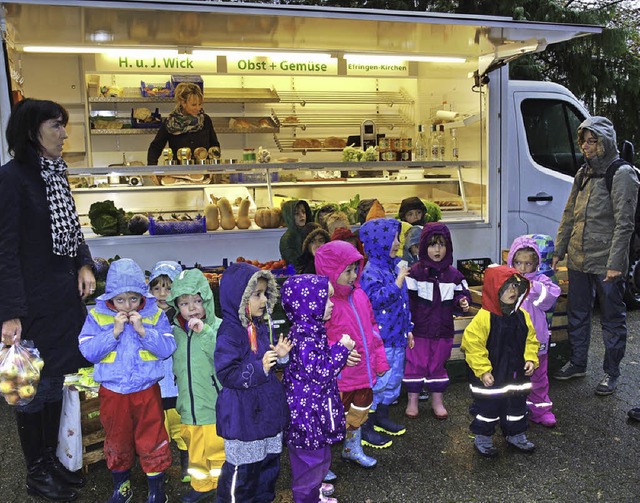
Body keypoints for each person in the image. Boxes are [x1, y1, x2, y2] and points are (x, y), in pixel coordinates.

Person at [0, 98, 96, 502]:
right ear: (32, 131)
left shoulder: (55, 175)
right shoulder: (11, 179)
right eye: (56, 126)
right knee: (29, 389)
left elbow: (72, 231)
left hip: (61, 302)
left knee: (56, 380)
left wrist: (85, 264)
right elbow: (4, 250)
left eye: (63, 125)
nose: (63, 133)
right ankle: (36, 472)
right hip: (31, 305)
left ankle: (53, 461)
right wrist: (10, 312)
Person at [552, 117, 639, 396]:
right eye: (584, 141)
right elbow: (569, 214)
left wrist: (616, 263)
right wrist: (559, 250)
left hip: (606, 261)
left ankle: (611, 373)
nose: (587, 147)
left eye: (593, 141)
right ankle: (578, 363)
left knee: (612, 318)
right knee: (577, 312)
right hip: (578, 257)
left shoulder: (622, 173)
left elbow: (625, 223)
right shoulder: (584, 172)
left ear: (605, 141)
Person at [78, 258, 176, 502]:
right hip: (113, 391)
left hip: (147, 390)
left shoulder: (154, 315)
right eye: (120, 300)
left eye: (133, 298)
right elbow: (88, 350)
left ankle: (156, 489)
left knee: (152, 436)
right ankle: (122, 485)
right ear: (110, 298)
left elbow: (167, 348)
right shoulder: (97, 317)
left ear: (142, 296)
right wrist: (113, 333)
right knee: (117, 437)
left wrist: (144, 331)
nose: (127, 305)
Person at [214, 262, 292, 502]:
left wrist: (279, 356)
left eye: (264, 294)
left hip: (264, 413)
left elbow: (267, 363)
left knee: (267, 469)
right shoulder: (230, 331)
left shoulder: (258, 326)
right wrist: (259, 368)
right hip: (243, 417)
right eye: (256, 295)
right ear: (238, 298)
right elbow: (226, 373)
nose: (263, 301)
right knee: (242, 476)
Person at [281, 274, 355, 503]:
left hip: (314, 409)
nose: (332, 304)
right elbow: (321, 372)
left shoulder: (311, 330)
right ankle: (306, 496)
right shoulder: (305, 336)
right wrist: (341, 349)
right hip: (307, 414)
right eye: (327, 299)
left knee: (319, 455)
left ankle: (314, 490)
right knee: (309, 461)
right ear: (308, 304)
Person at [315, 240, 389, 468]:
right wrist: (339, 354)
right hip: (341, 378)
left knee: (358, 414)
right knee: (331, 419)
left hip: (363, 375)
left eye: (355, 269)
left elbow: (373, 330)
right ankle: (320, 464)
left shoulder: (359, 296)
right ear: (330, 271)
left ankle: (352, 448)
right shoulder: (324, 304)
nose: (353, 274)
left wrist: (380, 360)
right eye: (347, 270)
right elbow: (318, 341)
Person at [461, 265, 540, 457]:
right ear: (494, 291)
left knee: (517, 406)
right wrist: (483, 370)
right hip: (492, 377)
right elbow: (472, 345)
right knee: (487, 408)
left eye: (515, 286)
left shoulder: (522, 316)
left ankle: (516, 433)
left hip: (516, 376)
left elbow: (531, 339)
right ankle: (483, 437)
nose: (513, 291)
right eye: (507, 287)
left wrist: (530, 358)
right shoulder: (484, 318)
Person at [167, 268, 225, 503]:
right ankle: (202, 486)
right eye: (184, 303)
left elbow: (221, 358)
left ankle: (223, 485)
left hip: (212, 406)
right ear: (176, 306)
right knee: (195, 451)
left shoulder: (218, 328)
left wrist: (205, 333)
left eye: (197, 301)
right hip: (188, 408)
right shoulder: (175, 332)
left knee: (217, 450)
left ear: (207, 301)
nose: (191, 308)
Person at [404, 223, 470, 419]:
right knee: (415, 365)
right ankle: (412, 399)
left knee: (438, 365)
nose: (437, 250)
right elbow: (407, 301)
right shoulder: (414, 273)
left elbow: (461, 295)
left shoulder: (454, 276)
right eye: (432, 245)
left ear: (448, 247)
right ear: (424, 247)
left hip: (443, 331)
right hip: (419, 331)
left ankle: (437, 400)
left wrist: (463, 302)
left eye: (441, 245)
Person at [359, 218, 414, 447]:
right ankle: (366, 425)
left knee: (393, 380)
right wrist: (399, 281)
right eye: (391, 238)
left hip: (397, 336)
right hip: (380, 340)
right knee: (379, 382)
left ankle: (382, 416)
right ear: (377, 242)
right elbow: (376, 300)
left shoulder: (393, 265)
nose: (397, 243)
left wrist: (409, 329)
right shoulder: (370, 272)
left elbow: (404, 302)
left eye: (397, 238)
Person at [507, 236, 561, 427]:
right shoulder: (507, 280)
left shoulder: (542, 281)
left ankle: (541, 410)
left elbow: (549, 299)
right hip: (512, 341)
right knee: (511, 377)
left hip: (537, 340)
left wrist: (532, 286)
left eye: (528, 263)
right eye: (518, 262)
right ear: (511, 261)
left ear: (536, 263)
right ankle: (513, 410)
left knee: (538, 377)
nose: (522, 268)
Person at [148, 260, 191, 483]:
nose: (162, 293)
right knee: (157, 429)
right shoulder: (146, 317)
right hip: (155, 384)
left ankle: (187, 463)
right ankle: (159, 468)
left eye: (168, 287)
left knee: (181, 426)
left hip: (176, 383)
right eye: (157, 288)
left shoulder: (183, 317)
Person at [147, 82, 221, 165]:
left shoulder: (205, 120)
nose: (198, 108)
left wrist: (215, 167)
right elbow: (156, 147)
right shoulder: (171, 122)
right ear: (183, 102)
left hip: (203, 171)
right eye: (194, 105)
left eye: (200, 104)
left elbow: (214, 146)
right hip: (179, 172)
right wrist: (152, 168)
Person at [280, 199, 314, 266]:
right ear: (289, 217)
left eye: (304, 212)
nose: (302, 215)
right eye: (296, 213)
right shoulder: (287, 239)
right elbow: (296, 262)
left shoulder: (311, 232)